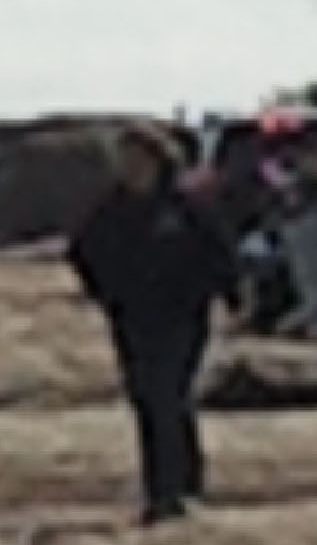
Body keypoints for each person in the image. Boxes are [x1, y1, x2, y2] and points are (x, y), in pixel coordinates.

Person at [66, 123, 236, 520]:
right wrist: (106, 293)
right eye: (123, 159)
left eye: (137, 159)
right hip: (133, 318)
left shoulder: (184, 207)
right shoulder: (110, 211)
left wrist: (223, 294)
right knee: (147, 398)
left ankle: (171, 490)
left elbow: (219, 252)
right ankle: (166, 484)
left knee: (168, 396)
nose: (129, 167)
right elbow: (82, 252)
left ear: (158, 160)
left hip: (182, 316)